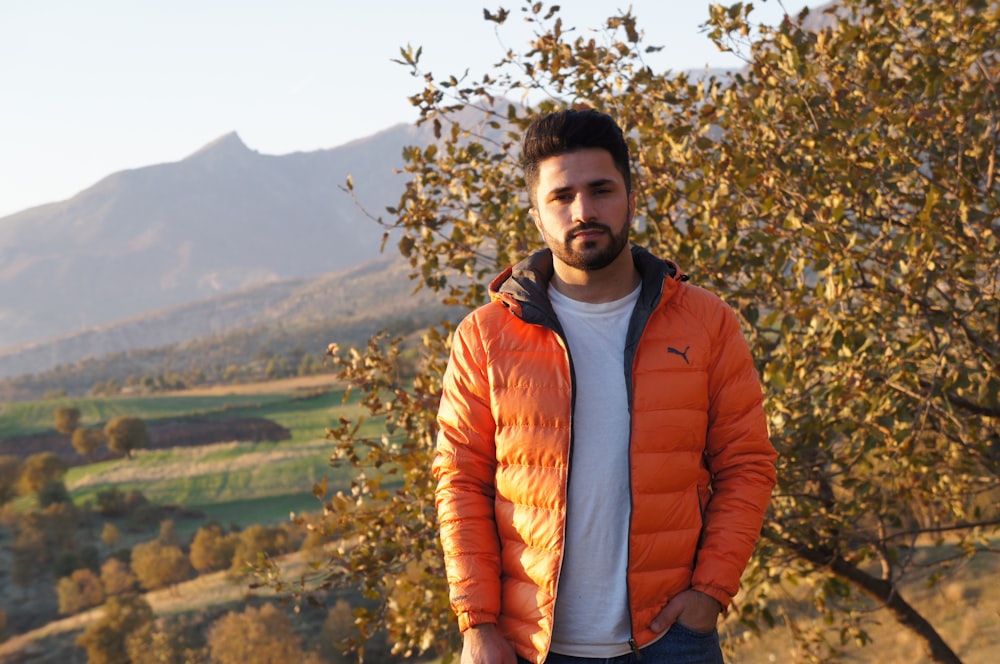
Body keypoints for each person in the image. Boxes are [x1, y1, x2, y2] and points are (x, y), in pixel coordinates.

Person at [432, 108, 777, 664]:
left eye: (601, 190)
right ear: (537, 214)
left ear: (631, 197)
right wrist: (477, 624)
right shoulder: (485, 337)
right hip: (529, 648)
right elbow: (460, 484)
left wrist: (711, 592)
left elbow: (747, 465)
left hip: (673, 642)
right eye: (562, 196)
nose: (584, 211)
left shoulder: (707, 323)